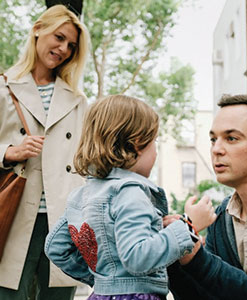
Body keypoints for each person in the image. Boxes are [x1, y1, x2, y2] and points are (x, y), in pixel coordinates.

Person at [44, 94, 217, 300]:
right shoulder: (131, 192)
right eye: (154, 142)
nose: (156, 152)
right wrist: (190, 226)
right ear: (136, 144)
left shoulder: (81, 195)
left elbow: (56, 247)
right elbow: (137, 256)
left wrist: (105, 279)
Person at [166, 94, 247, 299]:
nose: (217, 149)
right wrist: (177, 257)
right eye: (213, 139)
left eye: (231, 138)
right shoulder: (220, 218)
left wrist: (199, 260)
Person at [0, 4, 90, 300]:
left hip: (62, 220)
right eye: (59, 37)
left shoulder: (77, 100)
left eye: (71, 46)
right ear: (38, 29)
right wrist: (9, 151)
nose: (64, 49)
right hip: (13, 216)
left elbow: (85, 160)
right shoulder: (4, 88)